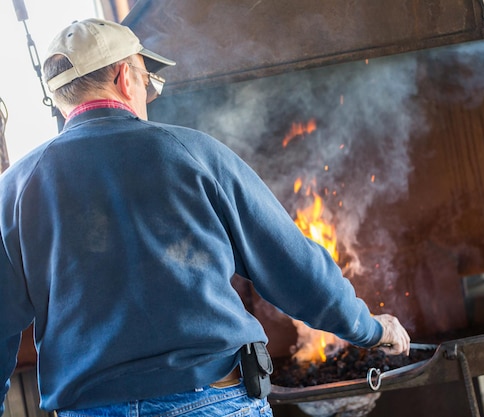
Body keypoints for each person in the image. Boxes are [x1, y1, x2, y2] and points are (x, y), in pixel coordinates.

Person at [0, 18, 411, 417]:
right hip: (211, 402)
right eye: (147, 81)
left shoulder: (15, 188)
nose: (147, 93)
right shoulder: (192, 152)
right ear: (125, 77)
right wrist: (369, 328)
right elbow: (293, 265)